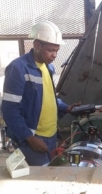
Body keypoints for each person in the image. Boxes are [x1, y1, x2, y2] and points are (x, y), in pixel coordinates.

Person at [1, 20, 80, 166]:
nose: (54, 55)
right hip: (32, 138)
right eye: (50, 50)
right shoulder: (19, 68)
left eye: (57, 50)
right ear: (37, 45)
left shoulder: (49, 68)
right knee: (43, 178)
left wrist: (66, 107)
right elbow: (9, 110)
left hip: (51, 135)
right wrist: (29, 138)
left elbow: (48, 98)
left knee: (51, 171)